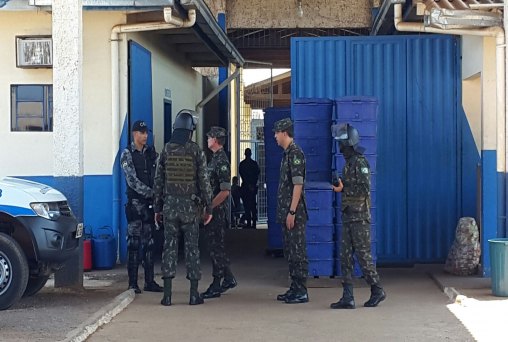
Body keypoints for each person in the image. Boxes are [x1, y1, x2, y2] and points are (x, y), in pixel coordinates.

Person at [153, 110, 213, 306]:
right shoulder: (196, 151)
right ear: (190, 130)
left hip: (169, 207)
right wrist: (209, 207)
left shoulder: (166, 150)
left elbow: (158, 182)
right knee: (192, 250)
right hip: (190, 209)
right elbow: (204, 182)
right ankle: (193, 295)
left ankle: (167, 296)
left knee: (169, 248)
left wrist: (157, 208)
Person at [330, 123, 386, 309]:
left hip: (359, 218)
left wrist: (346, 191)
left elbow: (363, 189)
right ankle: (347, 297)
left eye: (342, 144)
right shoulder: (348, 164)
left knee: (363, 256)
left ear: (349, 144)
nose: (340, 148)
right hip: (348, 217)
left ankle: (377, 289)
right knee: (345, 257)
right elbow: (348, 187)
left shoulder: (360, 162)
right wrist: (341, 187)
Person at [120, 120, 163, 294]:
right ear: (134, 134)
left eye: (146, 132)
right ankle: (132, 283)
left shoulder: (151, 154)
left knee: (150, 243)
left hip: (150, 206)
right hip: (136, 205)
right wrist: (151, 192)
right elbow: (131, 181)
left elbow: (159, 174)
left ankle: (149, 281)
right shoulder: (127, 154)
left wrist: (157, 194)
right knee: (134, 244)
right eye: (142, 132)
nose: (145, 136)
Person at [273, 118, 309, 304]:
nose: (275, 136)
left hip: (294, 213)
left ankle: (301, 289)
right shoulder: (287, 154)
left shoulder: (295, 154)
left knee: (297, 251)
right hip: (287, 212)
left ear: (285, 133)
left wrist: (292, 211)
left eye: (277, 133)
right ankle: (294, 287)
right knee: (290, 251)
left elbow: (298, 184)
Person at [201, 126, 238, 299]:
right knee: (215, 247)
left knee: (216, 247)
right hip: (212, 210)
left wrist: (209, 208)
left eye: (209, 137)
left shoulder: (221, 161)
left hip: (216, 212)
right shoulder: (214, 159)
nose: (207, 139)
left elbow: (224, 191)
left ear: (215, 140)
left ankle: (220, 281)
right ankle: (225, 279)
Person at [239, 148, 260, 228]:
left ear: (245, 154)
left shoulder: (242, 164)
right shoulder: (254, 164)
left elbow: (242, 174)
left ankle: (248, 223)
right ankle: (254, 223)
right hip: (252, 188)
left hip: (245, 187)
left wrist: (247, 183)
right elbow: (257, 173)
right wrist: (252, 184)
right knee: (253, 206)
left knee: (246, 206)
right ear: (250, 154)